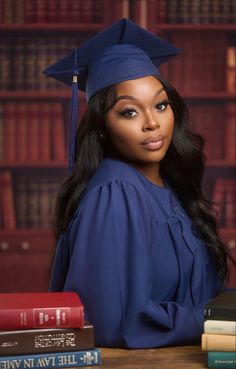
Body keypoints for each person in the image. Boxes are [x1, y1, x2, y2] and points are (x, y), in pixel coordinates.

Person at [44, 19, 228, 348]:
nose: (152, 123)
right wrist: (216, 320)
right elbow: (112, 320)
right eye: (129, 112)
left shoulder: (170, 186)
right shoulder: (115, 192)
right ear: (102, 127)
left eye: (160, 105)